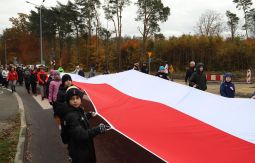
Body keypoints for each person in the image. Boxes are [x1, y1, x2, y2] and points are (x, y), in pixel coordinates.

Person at [55, 87, 108, 163]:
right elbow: (82, 135)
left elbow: (78, 118)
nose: (75, 101)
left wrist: (88, 115)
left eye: (77, 98)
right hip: (80, 152)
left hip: (78, 148)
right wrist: (98, 129)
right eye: (72, 99)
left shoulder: (75, 110)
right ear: (68, 100)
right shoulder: (71, 116)